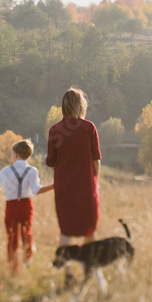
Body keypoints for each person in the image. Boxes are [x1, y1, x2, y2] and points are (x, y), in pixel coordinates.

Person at [0, 139, 54, 273]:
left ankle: (13, 268)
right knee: (27, 233)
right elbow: (36, 190)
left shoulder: (7, 171)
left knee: (12, 237)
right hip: (27, 206)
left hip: (11, 207)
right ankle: (28, 259)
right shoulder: (33, 171)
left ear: (15, 154)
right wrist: (54, 186)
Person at [46, 88, 101, 282]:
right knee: (89, 229)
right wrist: (95, 181)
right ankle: (89, 269)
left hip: (64, 188)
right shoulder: (89, 128)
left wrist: (63, 176)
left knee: (66, 230)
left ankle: (68, 274)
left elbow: (52, 163)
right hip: (87, 187)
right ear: (80, 105)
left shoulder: (54, 130)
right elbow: (96, 160)